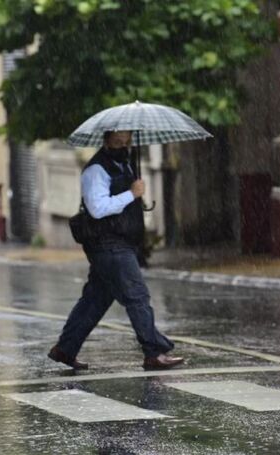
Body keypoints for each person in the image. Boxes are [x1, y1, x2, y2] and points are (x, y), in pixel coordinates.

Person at [48, 130, 185, 371]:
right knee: (137, 296)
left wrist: (135, 195)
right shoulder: (96, 170)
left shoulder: (124, 166)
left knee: (95, 300)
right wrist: (131, 194)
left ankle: (65, 349)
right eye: (118, 142)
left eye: (127, 142)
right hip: (108, 245)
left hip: (120, 242)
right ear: (106, 141)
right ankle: (154, 352)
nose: (123, 146)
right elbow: (98, 208)